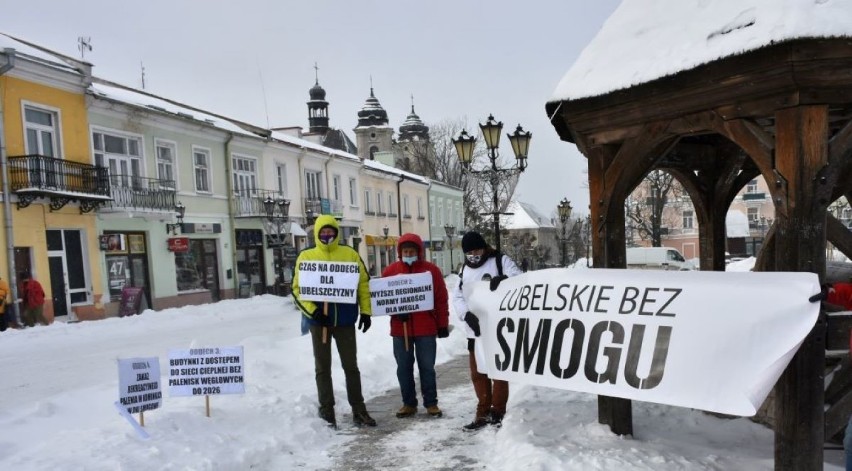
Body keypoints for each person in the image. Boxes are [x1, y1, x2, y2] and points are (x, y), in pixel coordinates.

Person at [292, 214, 376, 428]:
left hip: (345, 320)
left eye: (331, 231)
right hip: (320, 322)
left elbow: (363, 284)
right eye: (323, 232)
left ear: (336, 233)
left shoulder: (349, 254)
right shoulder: (307, 257)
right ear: (317, 233)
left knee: (351, 366)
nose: (327, 235)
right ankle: (327, 410)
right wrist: (314, 312)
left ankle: (359, 408)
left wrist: (366, 311)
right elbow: (298, 289)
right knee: (322, 367)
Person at [452, 231, 523, 431]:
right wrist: (466, 314)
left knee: (498, 371)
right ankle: (482, 411)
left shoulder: (500, 261)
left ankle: (497, 411)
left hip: (498, 326)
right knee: (478, 373)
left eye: (477, 249)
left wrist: (504, 281)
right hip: (475, 329)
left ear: (484, 248)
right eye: (469, 252)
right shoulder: (464, 270)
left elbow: (520, 280)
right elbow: (457, 296)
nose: (474, 254)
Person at [381, 233, 450, 419]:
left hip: (425, 328)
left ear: (418, 252)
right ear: (400, 252)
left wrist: (442, 324)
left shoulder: (431, 271)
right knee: (403, 367)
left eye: (412, 251)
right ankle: (408, 403)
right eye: (405, 251)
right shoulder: (390, 272)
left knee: (427, 367)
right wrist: (396, 312)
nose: (408, 254)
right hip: (400, 328)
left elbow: (441, 299)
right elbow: (383, 300)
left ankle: (431, 403)